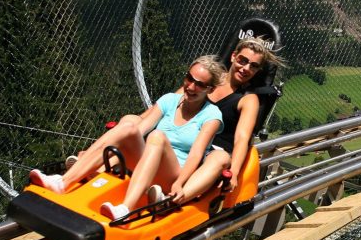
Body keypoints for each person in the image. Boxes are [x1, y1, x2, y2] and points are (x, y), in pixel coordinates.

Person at [29, 56, 225, 219]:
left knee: (157, 136)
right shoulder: (170, 100)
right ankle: (63, 182)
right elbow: (139, 129)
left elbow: (196, 154)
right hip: (148, 162)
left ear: (210, 89)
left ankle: (125, 208)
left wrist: (179, 183)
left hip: (173, 173)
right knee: (129, 127)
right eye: (189, 78)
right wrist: (94, 153)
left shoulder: (211, 116)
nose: (190, 86)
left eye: (199, 84)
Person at [166, 36, 283, 204]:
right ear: (233, 56)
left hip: (214, 153)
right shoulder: (209, 80)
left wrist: (234, 172)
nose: (245, 68)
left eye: (253, 66)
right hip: (189, 143)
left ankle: (174, 200)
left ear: (257, 71)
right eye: (243, 61)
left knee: (218, 159)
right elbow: (174, 101)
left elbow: (242, 138)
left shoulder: (248, 100)